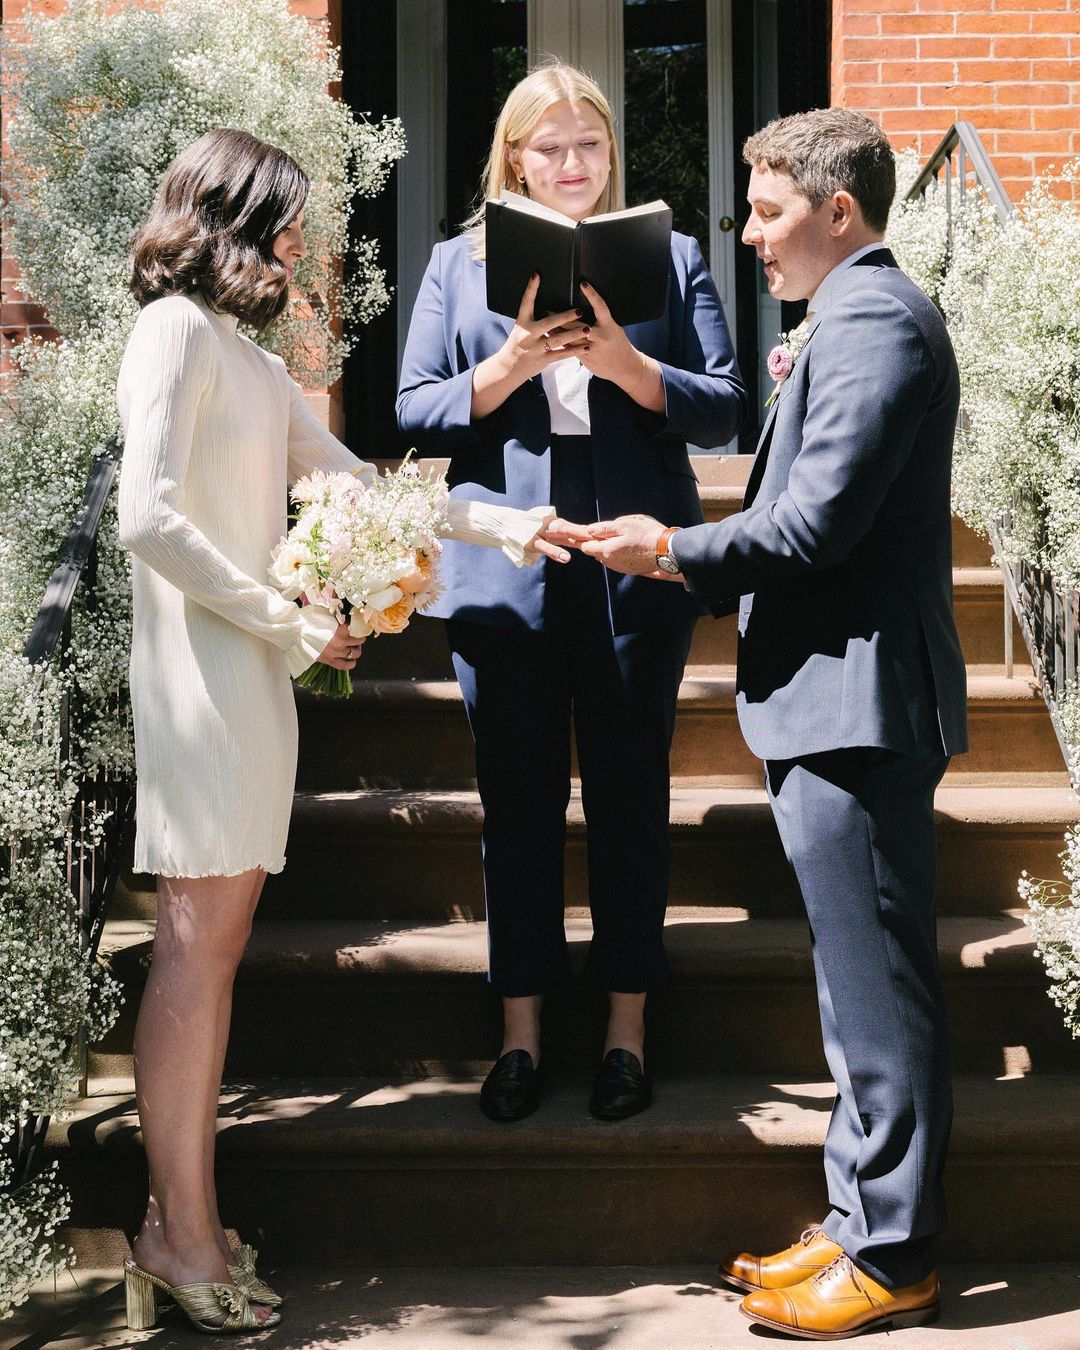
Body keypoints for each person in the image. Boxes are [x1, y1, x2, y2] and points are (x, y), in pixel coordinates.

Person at [117, 128, 560, 1334]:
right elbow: (143, 515)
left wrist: (519, 529)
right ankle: (178, 1236)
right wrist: (285, 616)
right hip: (206, 677)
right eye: (288, 219)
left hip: (253, 680)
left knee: (212, 960)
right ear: (235, 217)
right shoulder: (171, 333)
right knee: (192, 958)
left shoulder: (253, 364)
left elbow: (375, 482)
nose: (300, 241)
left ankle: (183, 1226)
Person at [564, 109, 967, 1339]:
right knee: (851, 997)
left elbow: (813, 526)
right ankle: (855, 1219)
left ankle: (893, 1252)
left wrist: (670, 549)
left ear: (840, 212)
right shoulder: (843, 322)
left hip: (859, 701)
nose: (748, 236)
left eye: (769, 210)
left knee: (881, 996)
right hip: (827, 697)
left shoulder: (875, 323)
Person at [397, 63, 745, 1125]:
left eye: (589, 143)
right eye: (549, 147)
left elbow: (727, 406)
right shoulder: (460, 266)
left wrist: (631, 367)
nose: (572, 163)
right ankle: (521, 1034)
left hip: (634, 559)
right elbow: (414, 409)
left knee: (632, 796)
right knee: (517, 804)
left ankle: (627, 1034)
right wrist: (505, 368)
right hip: (505, 558)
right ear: (513, 157)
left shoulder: (674, 257)